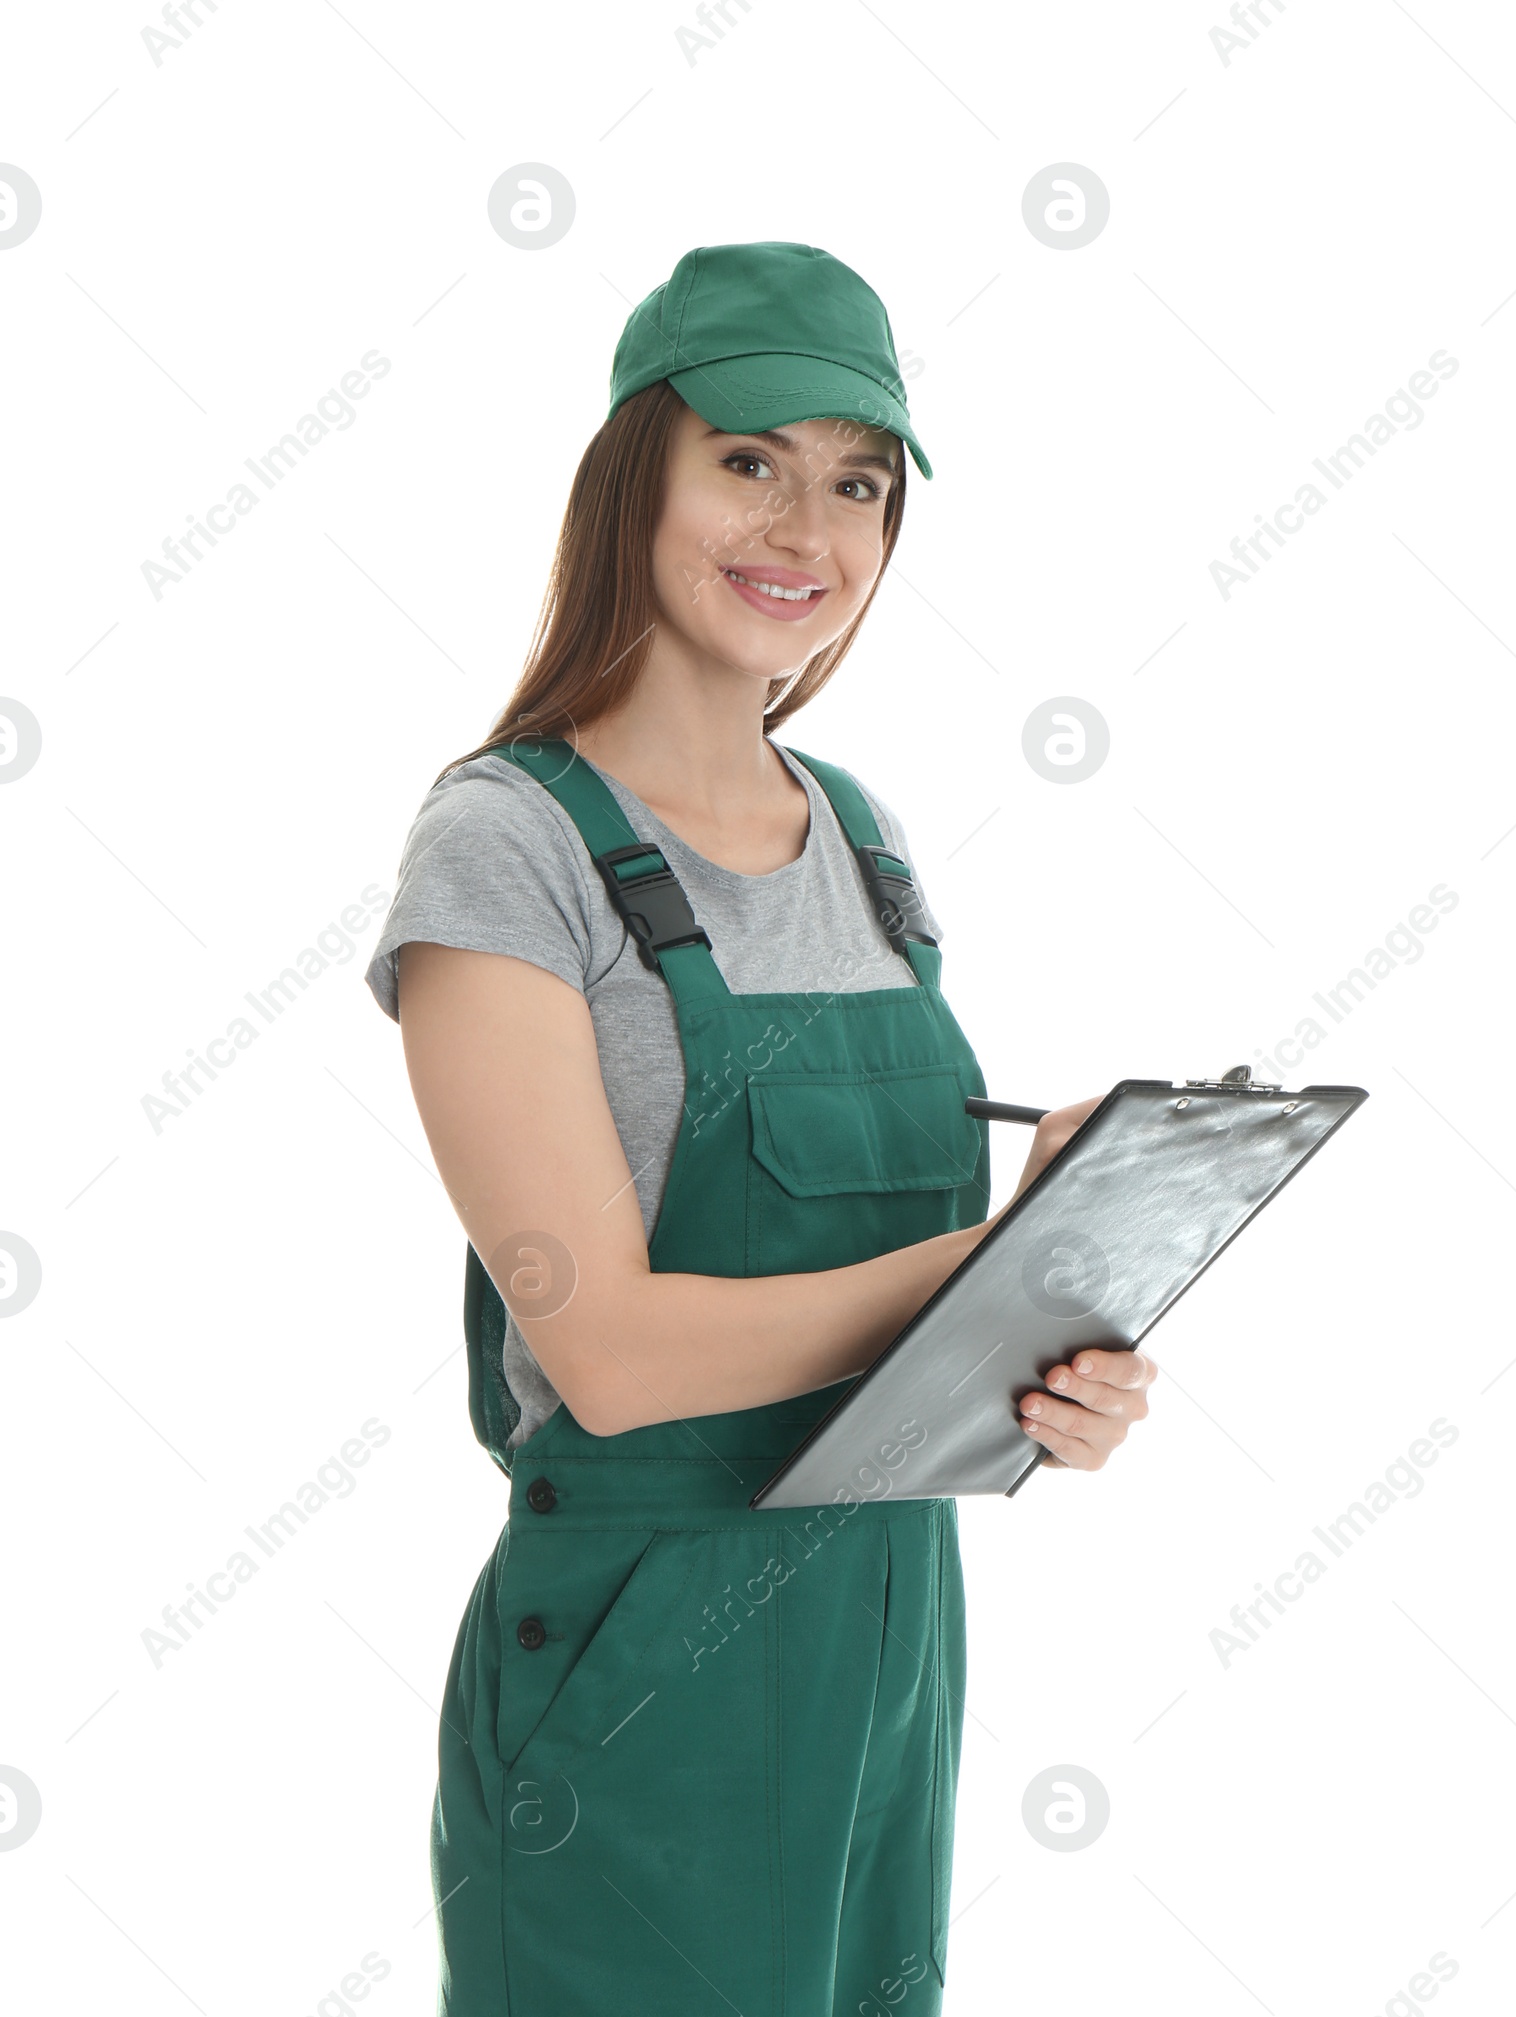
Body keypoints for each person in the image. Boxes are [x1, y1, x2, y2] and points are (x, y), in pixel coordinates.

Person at [363, 239, 1157, 2016]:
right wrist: (983, 1268)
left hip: (891, 1647)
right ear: (637, 468)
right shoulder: (507, 845)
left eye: (858, 482)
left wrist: (1051, 1339)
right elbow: (611, 1347)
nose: (807, 526)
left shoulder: (865, 842)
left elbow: (900, 1352)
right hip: (637, 1679)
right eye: (749, 460)